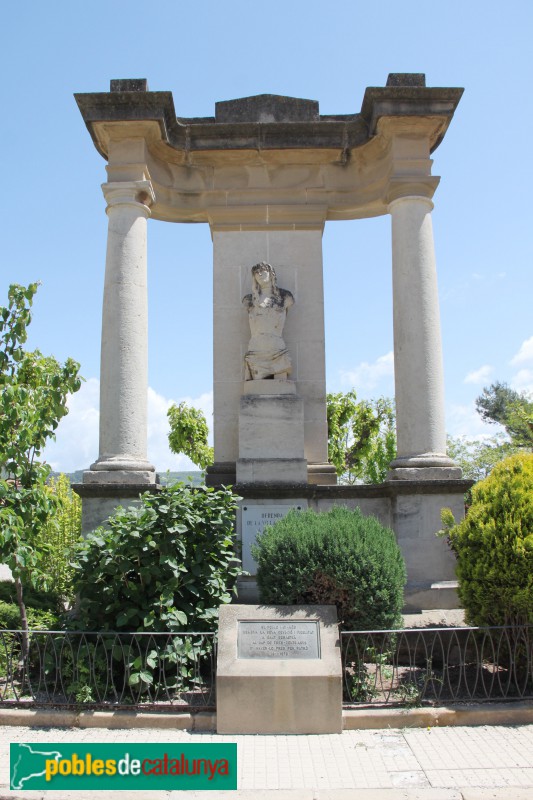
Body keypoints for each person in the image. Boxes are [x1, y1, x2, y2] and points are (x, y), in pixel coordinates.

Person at [242, 262, 294, 380]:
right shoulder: (248, 300)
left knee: (281, 379)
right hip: (255, 351)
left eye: (263, 270)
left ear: (271, 274)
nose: (259, 274)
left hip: (278, 351)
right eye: (256, 272)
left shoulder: (285, 297)